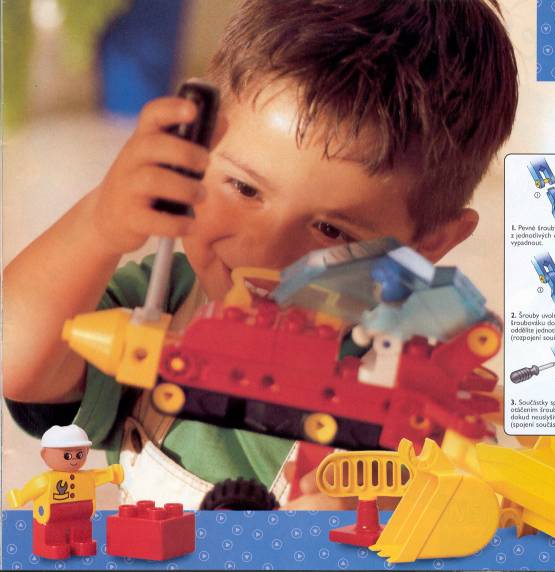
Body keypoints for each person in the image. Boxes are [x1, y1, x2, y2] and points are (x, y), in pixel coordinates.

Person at [3, 0, 518, 509]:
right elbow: (16, 358)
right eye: (245, 188)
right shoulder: (168, 298)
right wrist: (98, 225)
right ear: (195, 146)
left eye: (331, 230)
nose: (267, 252)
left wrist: (348, 531)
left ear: (427, 246)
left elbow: (462, 517)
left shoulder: (409, 398)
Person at [7, 425, 123, 559]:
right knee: (55, 532)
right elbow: (33, 488)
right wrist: (20, 497)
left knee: (81, 529)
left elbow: (102, 475)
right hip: (53, 517)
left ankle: (81, 541)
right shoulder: (46, 480)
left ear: (86, 452)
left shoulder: (88, 477)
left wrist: (113, 473)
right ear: (45, 455)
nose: (74, 459)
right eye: (67, 455)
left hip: (83, 514)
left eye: (79, 454)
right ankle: (54, 544)